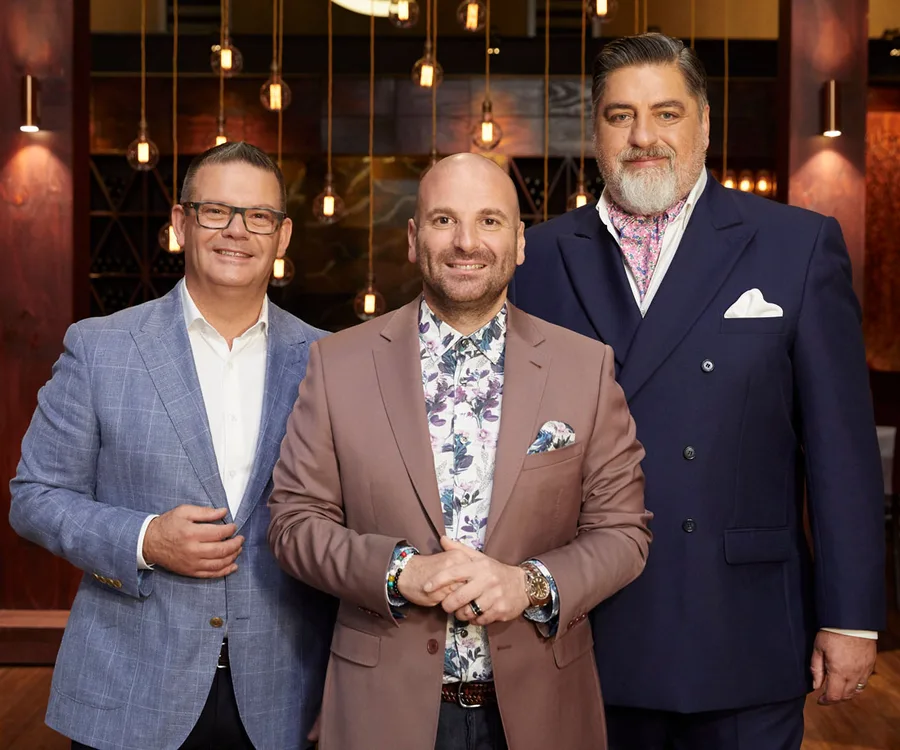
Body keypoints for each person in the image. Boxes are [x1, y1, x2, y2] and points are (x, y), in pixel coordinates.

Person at [509, 32, 885, 750]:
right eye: (620, 115)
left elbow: (841, 451)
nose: (643, 136)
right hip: (583, 624)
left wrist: (851, 616)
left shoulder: (796, 245)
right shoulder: (539, 258)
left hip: (741, 627)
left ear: (705, 123)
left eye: (666, 113)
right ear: (595, 130)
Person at [267, 152, 652, 750]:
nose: (466, 242)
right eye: (444, 220)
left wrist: (529, 585)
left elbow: (624, 532)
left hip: (543, 708)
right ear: (413, 239)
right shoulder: (338, 364)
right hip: (383, 712)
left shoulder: (586, 368)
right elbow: (293, 523)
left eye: (489, 221)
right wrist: (399, 573)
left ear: (519, 243)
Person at [9, 142, 335, 750]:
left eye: (258, 216)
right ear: (181, 223)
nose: (236, 231)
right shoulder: (100, 348)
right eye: (216, 211)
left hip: (284, 692)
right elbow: (34, 497)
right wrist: (146, 539)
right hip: (131, 686)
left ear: (282, 236)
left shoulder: (328, 360)